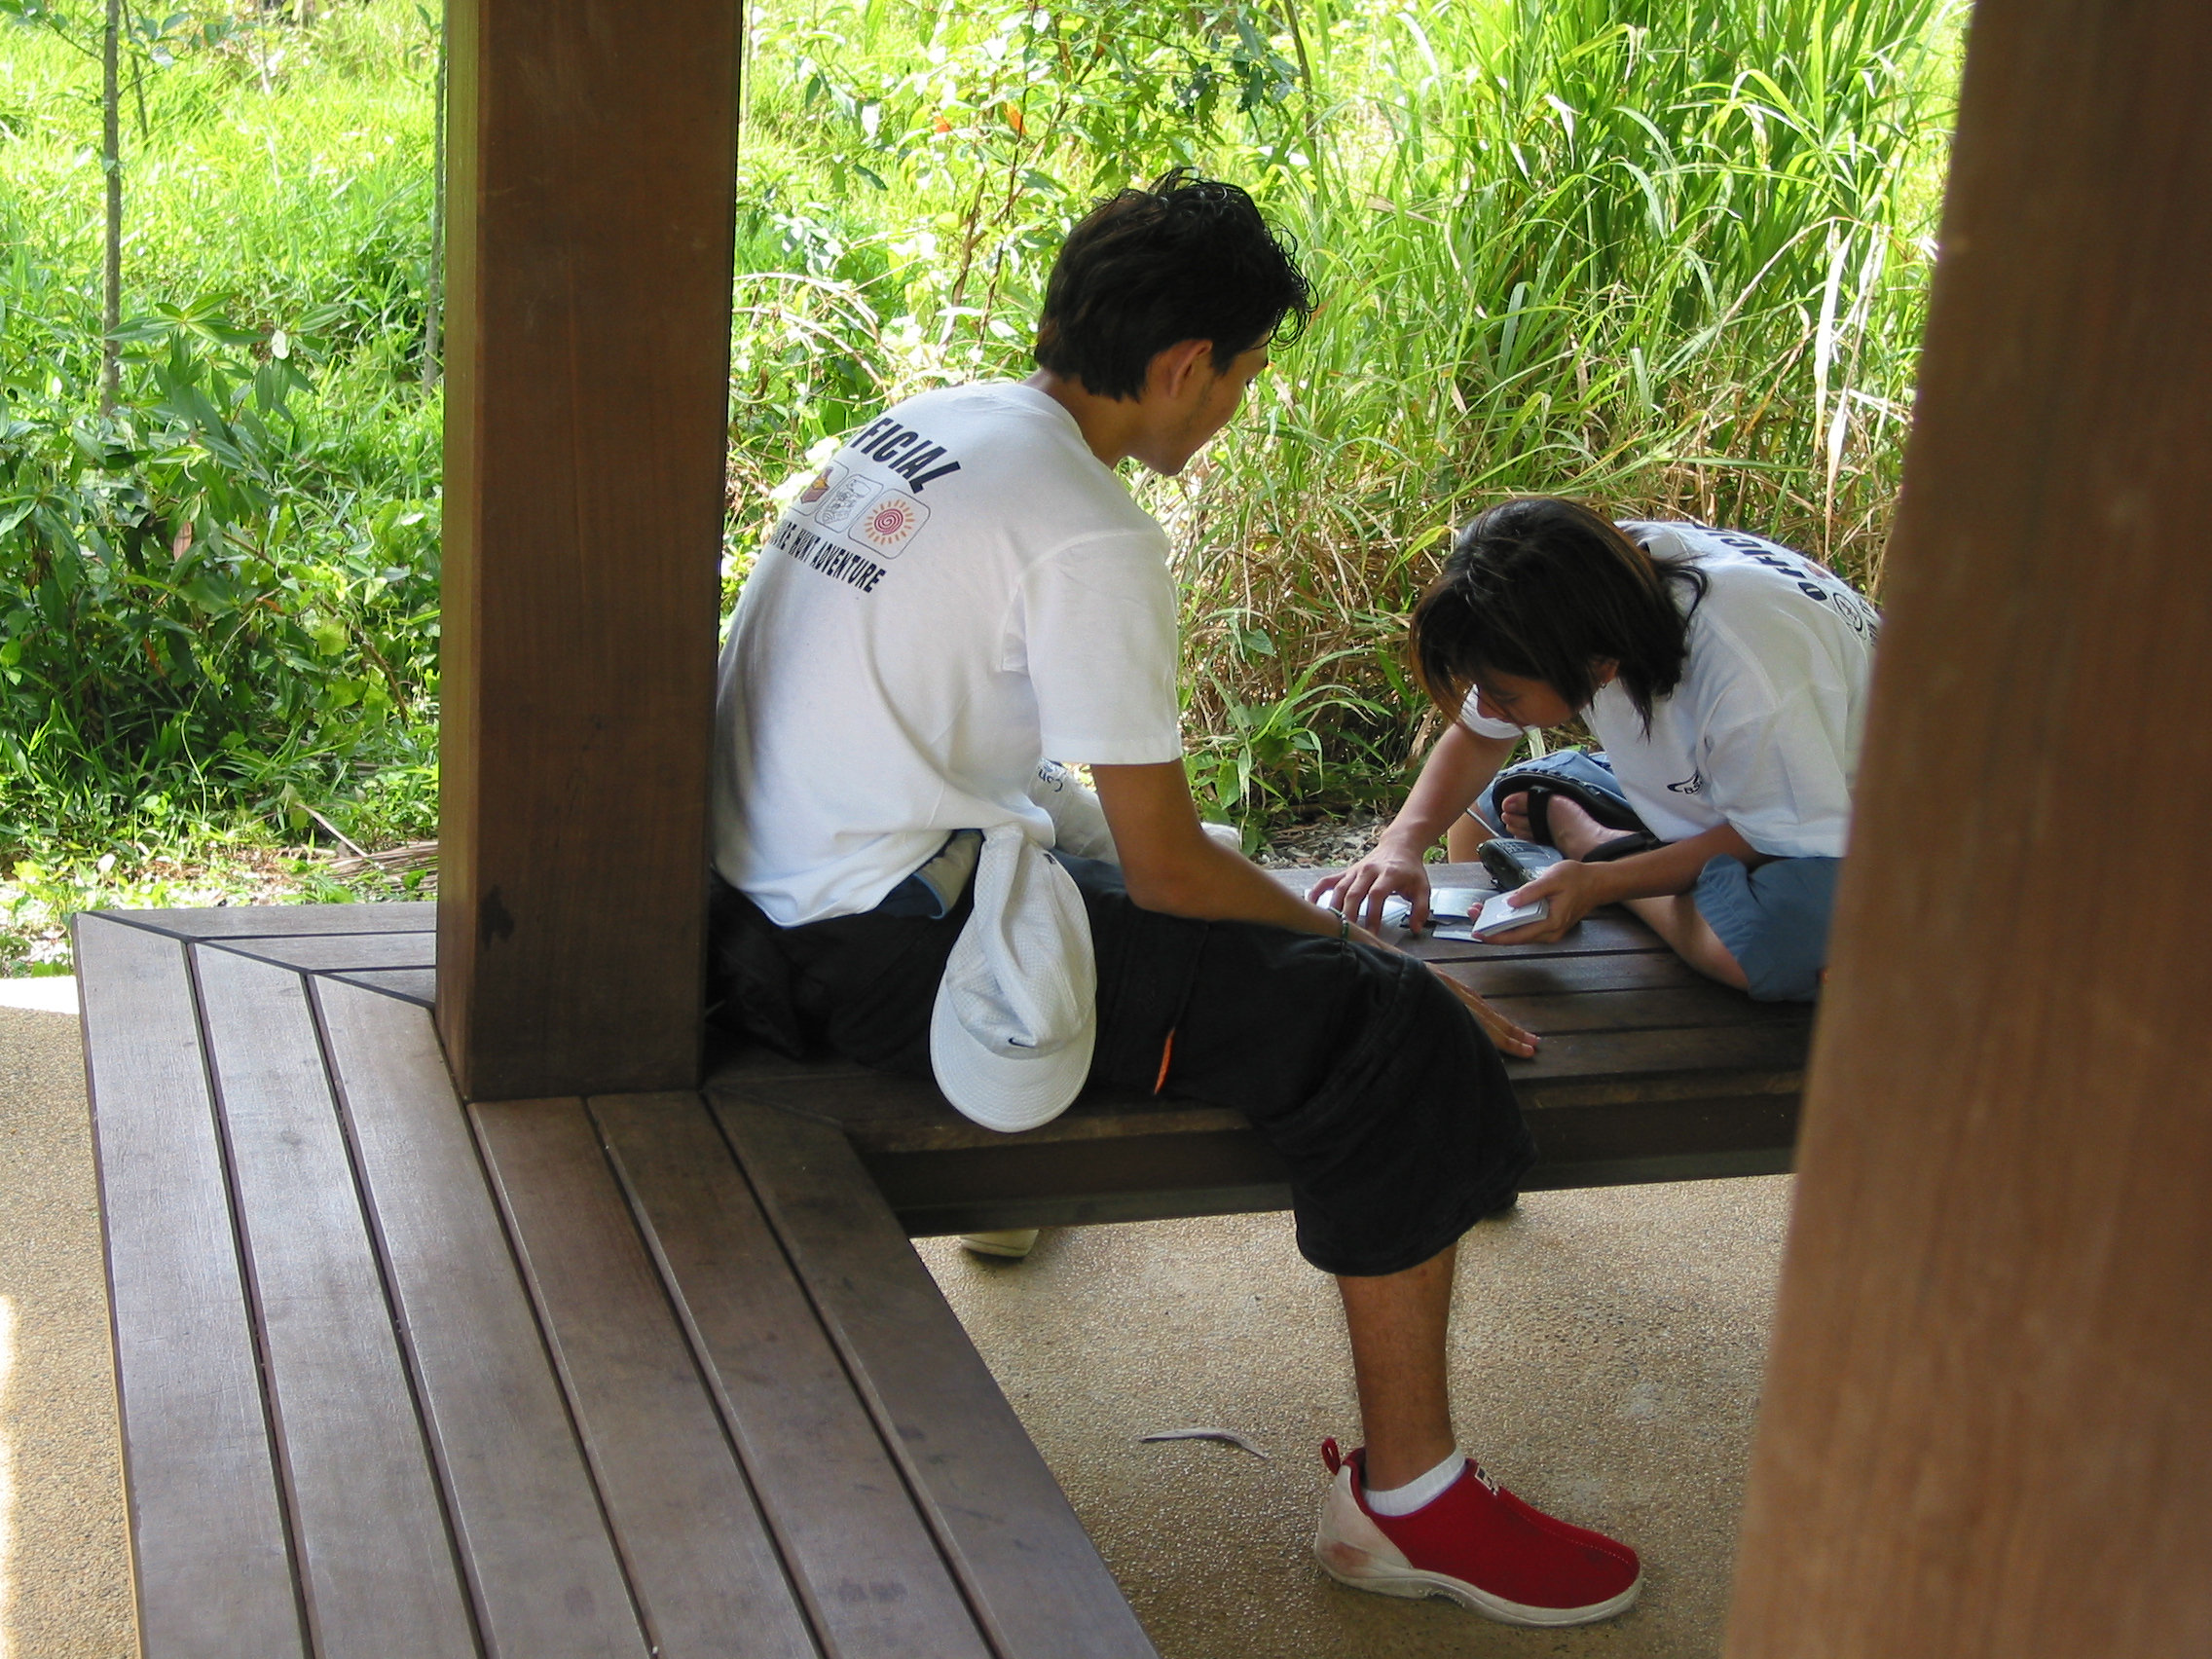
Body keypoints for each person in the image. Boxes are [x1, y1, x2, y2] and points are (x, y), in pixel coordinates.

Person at [709, 171, 1643, 1627]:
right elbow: (1160, 870)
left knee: (1216, 886)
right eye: (1250, 373)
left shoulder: (943, 425)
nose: (1238, 405)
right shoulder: (1089, 526)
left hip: (759, 907)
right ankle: (1408, 1503)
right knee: (1383, 1030)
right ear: (1184, 366)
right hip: (874, 955)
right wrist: (1363, 951)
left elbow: (1103, 824)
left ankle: (1055, 1112)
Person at [1314, 498, 1878, 1001]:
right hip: (1728, 785)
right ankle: (1599, 845)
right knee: (1481, 819)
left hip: (1861, 823)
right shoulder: (1581, 586)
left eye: (1504, 695)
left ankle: (1595, 842)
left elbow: (1768, 830)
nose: (1485, 708)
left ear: (1599, 666)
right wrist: (1399, 843)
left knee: (1759, 952)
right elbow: (1477, 737)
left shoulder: (1750, 670)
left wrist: (1602, 874)